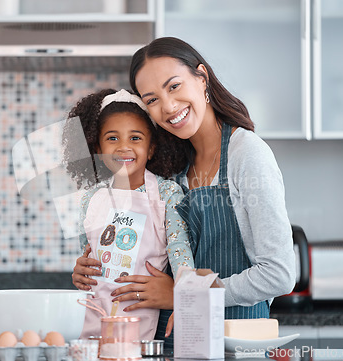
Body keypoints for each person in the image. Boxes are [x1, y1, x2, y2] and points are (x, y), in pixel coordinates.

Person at [71, 37, 296, 347]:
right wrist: (91, 266)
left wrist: (187, 295)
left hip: (234, 338)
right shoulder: (171, 166)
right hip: (169, 339)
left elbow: (279, 275)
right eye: (151, 99)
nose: (168, 106)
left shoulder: (248, 156)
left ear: (201, 77)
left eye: (173, 86)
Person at [62, 88, 194, 340]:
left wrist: (186, 298)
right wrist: (79, 272)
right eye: (112, 139)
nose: (124, 147)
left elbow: (181, 253)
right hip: (92, 321)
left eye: (135, 138)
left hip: (141, 322)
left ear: (152, 148)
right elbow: (88, 258)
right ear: (97, 147)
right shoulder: (91, 198)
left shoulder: (167, 193)